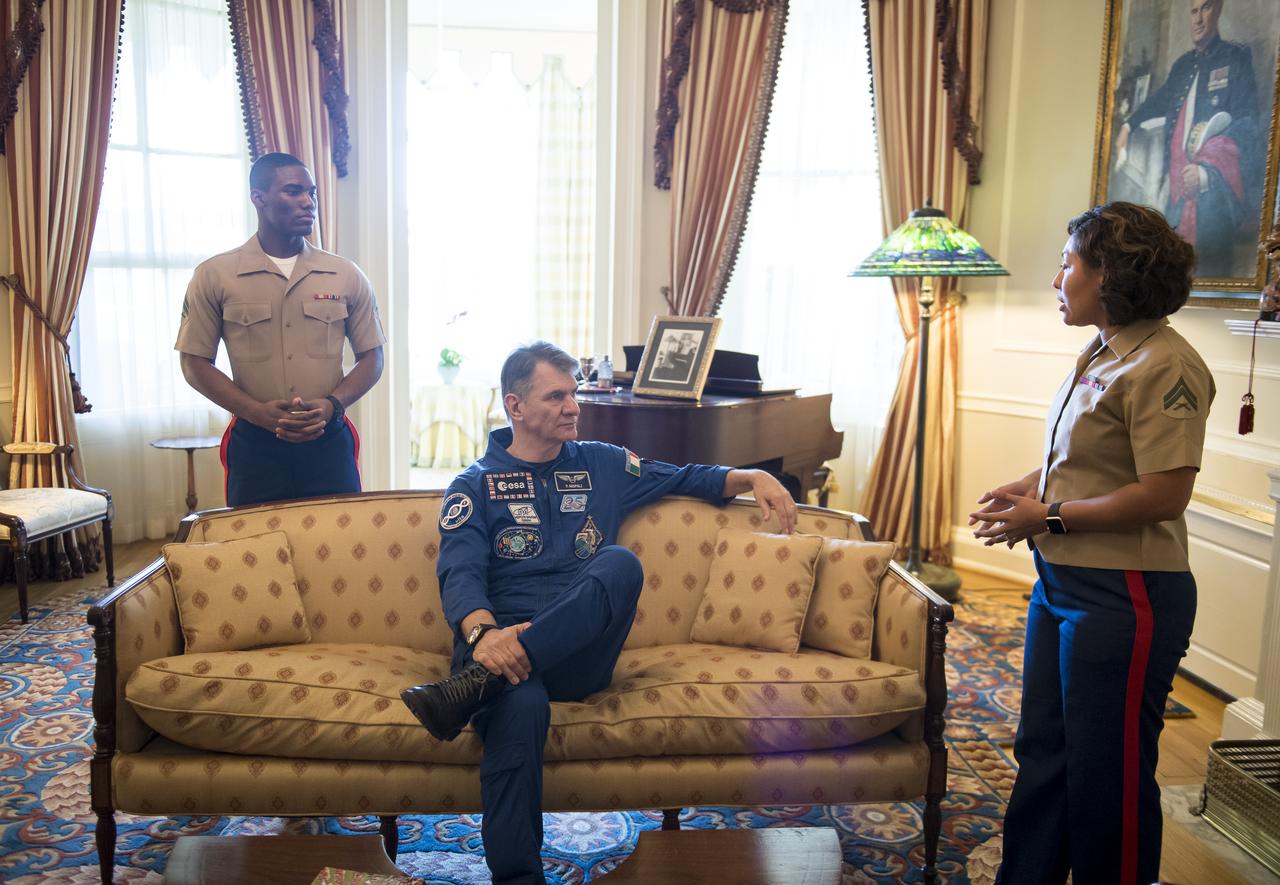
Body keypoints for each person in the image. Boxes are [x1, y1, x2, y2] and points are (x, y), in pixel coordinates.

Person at [400, 341, 797, 884]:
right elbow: (459, 573)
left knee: (618, 562)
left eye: (574, 394)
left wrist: (751, 476)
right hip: (499, 651)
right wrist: (486, 636)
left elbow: (686, 477)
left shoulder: (604, 464)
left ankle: (482, 681)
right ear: (515, 406)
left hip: (577, 655)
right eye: (556, 395)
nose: (573, 407)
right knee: (521, 706)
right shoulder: (473, 486)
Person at [969, 202, 1215, 884]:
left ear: (1110, 273)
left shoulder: (1167, 365)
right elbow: (1083, 464)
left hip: (1125, 593)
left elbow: (1164, 494)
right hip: (1064, 583)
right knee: (1044, 747)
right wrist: (1027, 492)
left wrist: (1045, 517)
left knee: (1108, 769)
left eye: (1069, 262)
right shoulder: (1103, 349)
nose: (1058, 276)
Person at [175, 152, 385, 506]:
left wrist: (333, 404)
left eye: (312, 193)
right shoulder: (215, 275)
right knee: (256, 550)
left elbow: (372, 358)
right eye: (293, 191)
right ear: (258, 197)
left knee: (339, 546)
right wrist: (255, 412)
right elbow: (194, 364)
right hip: (255, 445)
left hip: (329, 444)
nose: (308, 202)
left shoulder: (346, 275)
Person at [1116, 0, 1261, 277]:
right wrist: (1127, 124)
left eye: (1205, 9)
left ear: (1217, 10)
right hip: (1178, 193)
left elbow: (1247, 124)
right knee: (1170, 274)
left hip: (1214, 194)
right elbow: (1158, 101)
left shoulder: (1235, 58)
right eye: (1194, 11)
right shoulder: (1183, 66)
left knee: (1210, 268)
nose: (1198, 19)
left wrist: (1206, 172)